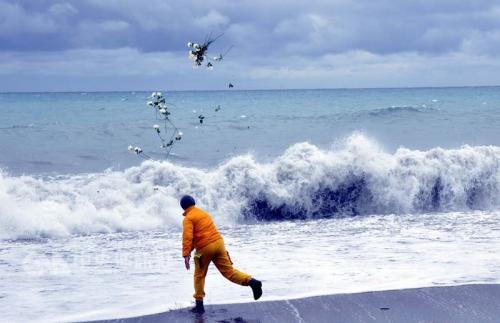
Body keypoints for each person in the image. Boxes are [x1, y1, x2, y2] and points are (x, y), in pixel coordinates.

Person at [180, 195, 262, 314]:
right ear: (193, 202)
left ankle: (199, 306)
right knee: (229, 272)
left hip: (205, 248)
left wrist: (186, 254)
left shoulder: (188, 218)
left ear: (183, 207)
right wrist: (189, 251)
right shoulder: (203, 213)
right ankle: (252, 282)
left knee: (199, 276)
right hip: (219, 243)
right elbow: (199, 235)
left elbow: (188, 237)